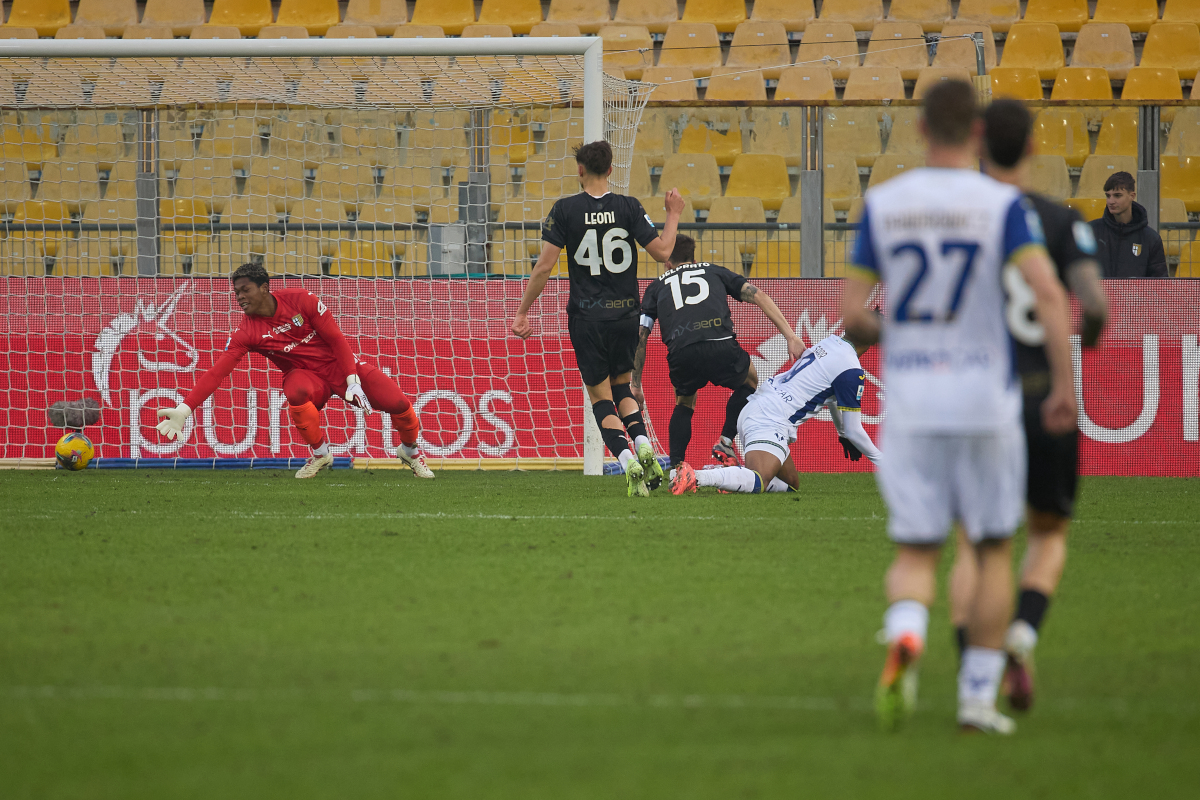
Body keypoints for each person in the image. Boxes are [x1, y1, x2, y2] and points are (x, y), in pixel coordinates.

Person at [840, 80, 1077, 735]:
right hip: (984, 400)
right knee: (995, 548)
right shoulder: (1000, 204)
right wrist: (1063, 385)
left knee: (917, 552)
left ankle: (907, 632)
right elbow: (1049, 295)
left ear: (919, 130)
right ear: (975, 133)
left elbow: (853, 316)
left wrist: (903, 336)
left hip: (913, 401)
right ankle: (976, 699)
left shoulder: (884, 204)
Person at [947, 98, 1109, 712]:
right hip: (1045, 400)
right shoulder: (1060, 220)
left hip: (979, 398)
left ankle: (974, 667)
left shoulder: (961, 222)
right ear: (1034, 147)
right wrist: (1082, 352)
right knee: (1048, 534)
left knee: (976, 544)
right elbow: (1092, 306)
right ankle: (1020, 634)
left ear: (981, 143)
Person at [510, 140, 685, 497]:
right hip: (626, 315)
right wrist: (673, 212)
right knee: (623, 386)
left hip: (587, 319)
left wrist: (523, 310)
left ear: (580, 170)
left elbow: (544, 267)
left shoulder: (564, 210)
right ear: (609, 170)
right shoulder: (629, 207)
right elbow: (664, 251)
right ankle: (642, 442)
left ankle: (626, 460)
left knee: (600, 395)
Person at [154, 263, 434, 480]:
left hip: (341, 368)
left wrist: (352, 380)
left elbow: (337, 339)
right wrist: (185, 409)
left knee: (399, 404)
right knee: (295, 391)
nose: (239, 297)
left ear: (264, 288)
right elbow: (217, 372)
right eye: (236, 292)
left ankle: (410, 451)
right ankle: (321, 454)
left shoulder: (301, 300)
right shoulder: (246, 332)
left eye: (245, 290)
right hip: (306, 376)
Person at [631, 234, 805, 472]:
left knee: (684, 402)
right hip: (720, 344)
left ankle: (677, 469)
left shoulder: (656, 286)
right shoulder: (715, 271)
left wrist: (635, 383)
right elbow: (759, 296)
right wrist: (791, 337)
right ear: (692, 259)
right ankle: (725, 441)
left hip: (682, 352)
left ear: (667, 262)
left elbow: (641, 336)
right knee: (750, 381)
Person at [670, 328, 879, 496]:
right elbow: (854, 430)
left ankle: (729, 477)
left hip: (759, 407)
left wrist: (842, 432)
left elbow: (833, 397)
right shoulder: (851, 368)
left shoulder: (831, 342)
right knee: (760, 479)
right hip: (769, 419)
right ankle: (696, 476)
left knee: (790, 484)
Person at [1088, 171, 1168, 278]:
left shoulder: (1151, 239)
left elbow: (1160, 284)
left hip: (1136, 295)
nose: (1111, 201)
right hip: (1099, 295)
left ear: (1132, 196)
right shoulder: (1091, 231)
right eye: (1108, 196)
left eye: (1117, 195)